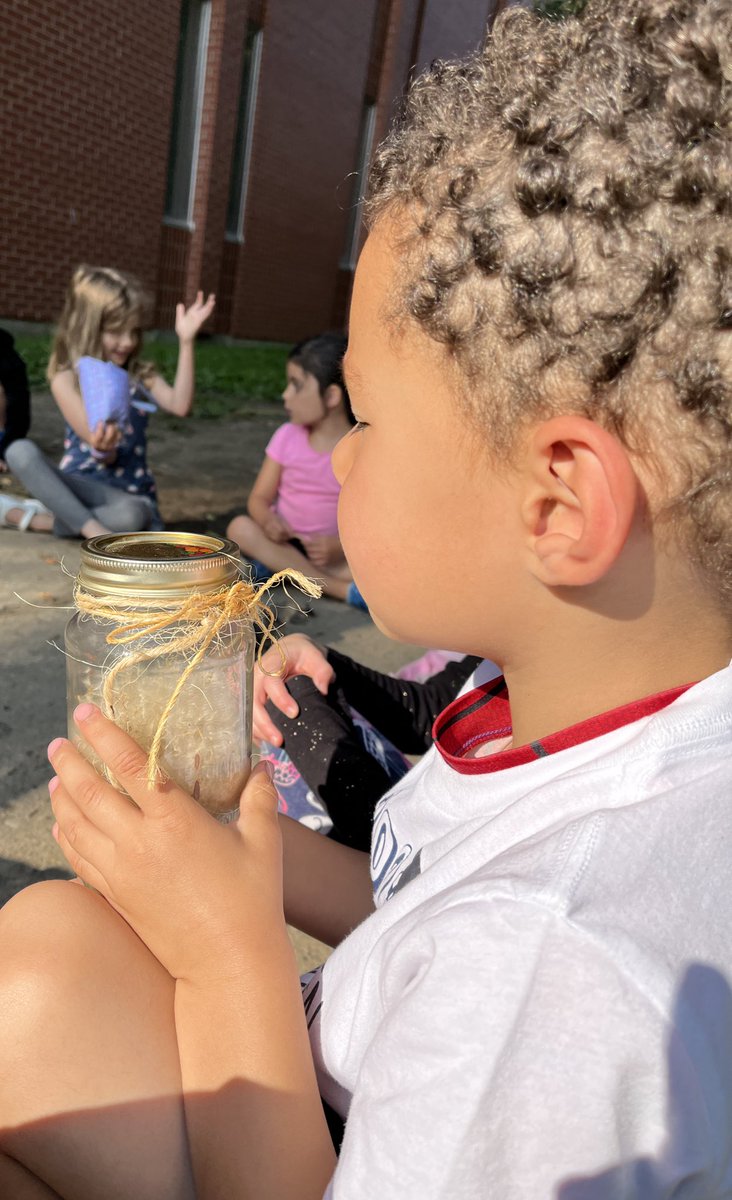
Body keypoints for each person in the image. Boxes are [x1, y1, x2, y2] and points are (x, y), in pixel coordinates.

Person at [0, 1, 732, 1196]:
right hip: (347, 1076)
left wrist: (227, 954)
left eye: (369, 419)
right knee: (49, 948)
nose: (336, 460)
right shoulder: (581, 702)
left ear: (558, 506)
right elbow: (420, 900)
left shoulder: (560, 971)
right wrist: (240, 861)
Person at [2, 265, 215, 537]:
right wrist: (103, 447)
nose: (127, 342)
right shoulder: (65, 379)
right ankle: (95, 532)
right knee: (18, 451)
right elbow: (97, 443)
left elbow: (180, 405)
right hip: (79, 486)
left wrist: (186, 341)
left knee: (131, 516)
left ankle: (35, 519)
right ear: (89, 326)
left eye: (134, 331)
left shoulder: (139, 375)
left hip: (124, 496)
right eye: (116, 331)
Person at [254, 632, 482, 848]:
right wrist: (322, 657)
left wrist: (304, 708)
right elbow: (433, 713)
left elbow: (394, 854)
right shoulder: (497, 666)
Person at [226, 333, 366, 606]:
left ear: (332, 395)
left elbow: (371, 517)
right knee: (240, 527)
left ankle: (284, 573)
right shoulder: (286, 436)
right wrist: (268, 522)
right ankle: (336, 589)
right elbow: (259, 499)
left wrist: (338, 548)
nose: (285, 395)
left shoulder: (358, 447)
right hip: (284, 545)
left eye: (296, 385)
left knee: (380, 563)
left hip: (333, 557)